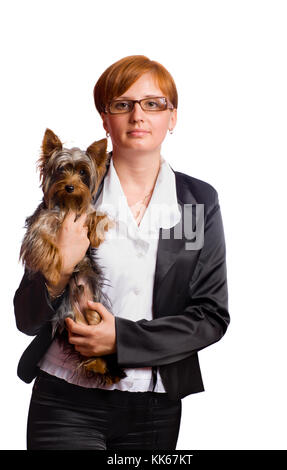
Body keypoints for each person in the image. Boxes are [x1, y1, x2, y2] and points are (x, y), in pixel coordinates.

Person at [14, 55, 230, 450]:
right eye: (122, 104)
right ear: (104, 118)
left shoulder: (196, 203)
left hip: (155, 405)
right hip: (65, 400)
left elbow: (210, 317)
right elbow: (26, 318)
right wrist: (58, 270)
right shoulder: (71, 192)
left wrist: (121, 338)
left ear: (173, 117)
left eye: (153, 103)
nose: (137, 115)